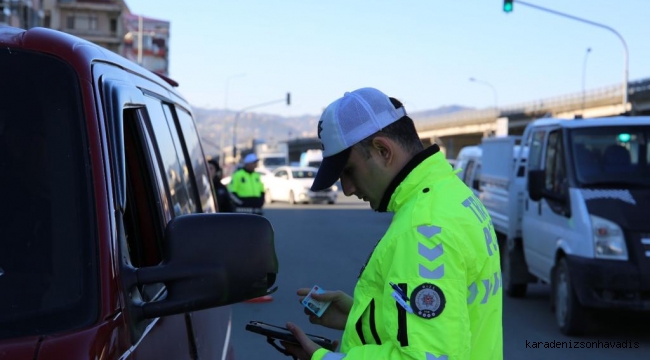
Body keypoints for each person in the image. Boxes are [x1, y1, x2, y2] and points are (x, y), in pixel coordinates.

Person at [282, 88, 503, 360]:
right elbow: (451, 319)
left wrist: (324, 358)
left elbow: (427, 357)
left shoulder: (422, 229)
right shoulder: (452, 193)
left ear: (383, 150)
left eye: (348, 171)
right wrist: (360, 316)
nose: (347, 189)